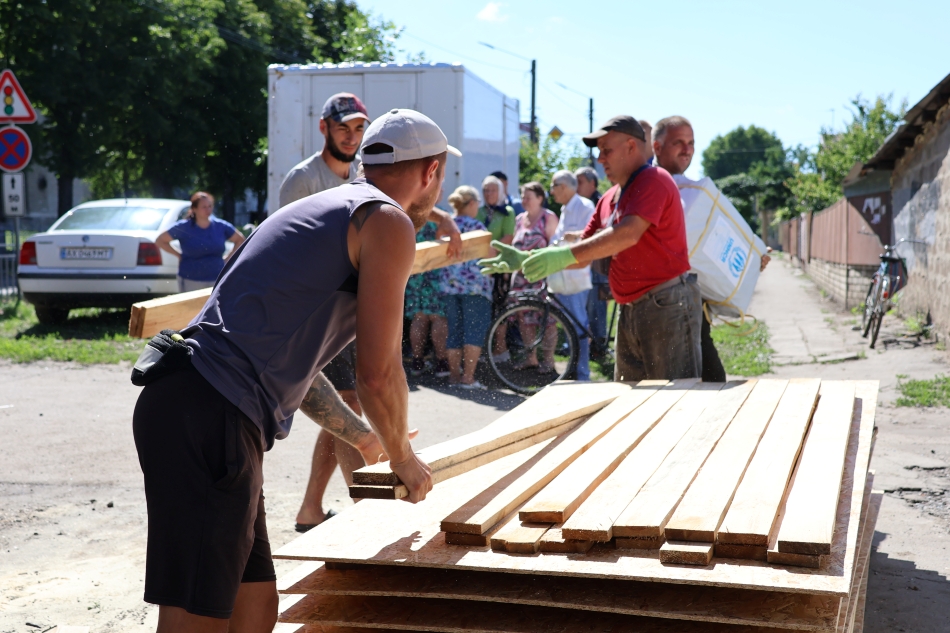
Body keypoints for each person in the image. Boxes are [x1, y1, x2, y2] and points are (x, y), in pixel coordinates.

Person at [132, 109, 459, 631]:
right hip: (211, 415)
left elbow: (294, 370)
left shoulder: (326, 208)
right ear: (432, 171)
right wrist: (404, 459)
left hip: (199, 404)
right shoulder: (386, 220)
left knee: (256, 604)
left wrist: (364, 438)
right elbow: (378, 375)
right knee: (197, 617)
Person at [481, 115, 701, 382]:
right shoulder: (609, 198)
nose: (600, 158)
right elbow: (585, 252)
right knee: (631, 396)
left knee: (674, 396)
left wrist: (562, 256)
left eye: (607, 150)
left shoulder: (654, 179)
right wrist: (528, 258)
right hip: (631, 307)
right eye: (599, 151)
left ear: (631, 146)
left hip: (666, 303)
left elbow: (628, 233)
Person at [276, 93, 371, 532]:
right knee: (346, 405)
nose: (351, 137)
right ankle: (368, 514)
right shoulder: (303, 180)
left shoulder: (361, 173)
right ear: (324, 128)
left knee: (343, 410)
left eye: (358, 129)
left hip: (347, 306)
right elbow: (285, 249)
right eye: (343, 128)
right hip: (316, 308)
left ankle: (311, 510)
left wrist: (444, 221)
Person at [652, 115, 771, 382]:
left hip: (691, 302)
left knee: (706, 376)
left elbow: (715, 239)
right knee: (695, 380)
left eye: (691, 143)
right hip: (664, 304)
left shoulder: (691, 191)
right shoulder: (652, 187)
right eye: (678, 142)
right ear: (657, 147)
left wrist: (752, 255)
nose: (687, 149)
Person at [442, 186, 494, 389]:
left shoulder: (447, 226)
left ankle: (454, 377)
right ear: (471, 203)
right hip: (474, 287)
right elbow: (490, 253)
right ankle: (468, 378)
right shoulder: (476, 226)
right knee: (474, 330)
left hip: (449, 286)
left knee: (454, 330)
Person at [548, 170, 595, 380]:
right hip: (563, 278)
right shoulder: (565, 208)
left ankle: (582, 374)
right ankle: (574, 371)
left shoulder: (584, 206)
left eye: (553, 186)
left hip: (576, 278)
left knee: (579, 326)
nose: (551, 192)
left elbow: (591, 237)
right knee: (570, 327)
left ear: (564, 187)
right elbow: (558, 239)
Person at [509, 182, 559, 372]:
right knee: (524, 318)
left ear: (540, 198)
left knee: (547, 319)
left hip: (542, 276)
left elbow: (555, 247)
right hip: (521, 278)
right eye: (523, 196)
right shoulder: (519, 219)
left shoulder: (548, 217)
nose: (524, 200)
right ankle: (531, 358)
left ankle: (548, 360)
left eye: (528, 197)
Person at [155, 192, 245, 292]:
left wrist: (227, 259)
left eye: (210, 206)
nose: (208, 210)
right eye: (204, 207)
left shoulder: (221, 226)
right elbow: (160, 240)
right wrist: (179, 255)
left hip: (217, 278)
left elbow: (240, 240)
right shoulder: (184, 227)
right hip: (191, 278)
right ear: (194, 209)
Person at [478, 175, 517, 361]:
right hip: (481, 266)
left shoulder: (507, 212)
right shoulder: (479, 211)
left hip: (500, 266)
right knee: (483, 308)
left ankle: (500, 349)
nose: (488, 193)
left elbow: (508, 237)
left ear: (500, 191)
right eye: (485, 190)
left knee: (499, 307)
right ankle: (482, 349)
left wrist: (489, 251)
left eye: (492, 190)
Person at [405, 218, 450, 378]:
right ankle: (442, 363)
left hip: (415, 271)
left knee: (419, 318)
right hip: (434, 273)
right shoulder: (439, 219)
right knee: (437, 318)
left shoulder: (410, 218)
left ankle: (417, 361)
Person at [575, 166, 608, 354]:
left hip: (598, 262)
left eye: (579, 182)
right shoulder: (580, 204)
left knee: (597, 302)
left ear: (592, 183)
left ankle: (599, 343)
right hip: (587, 259)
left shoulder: (600, 203)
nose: (576, 186)